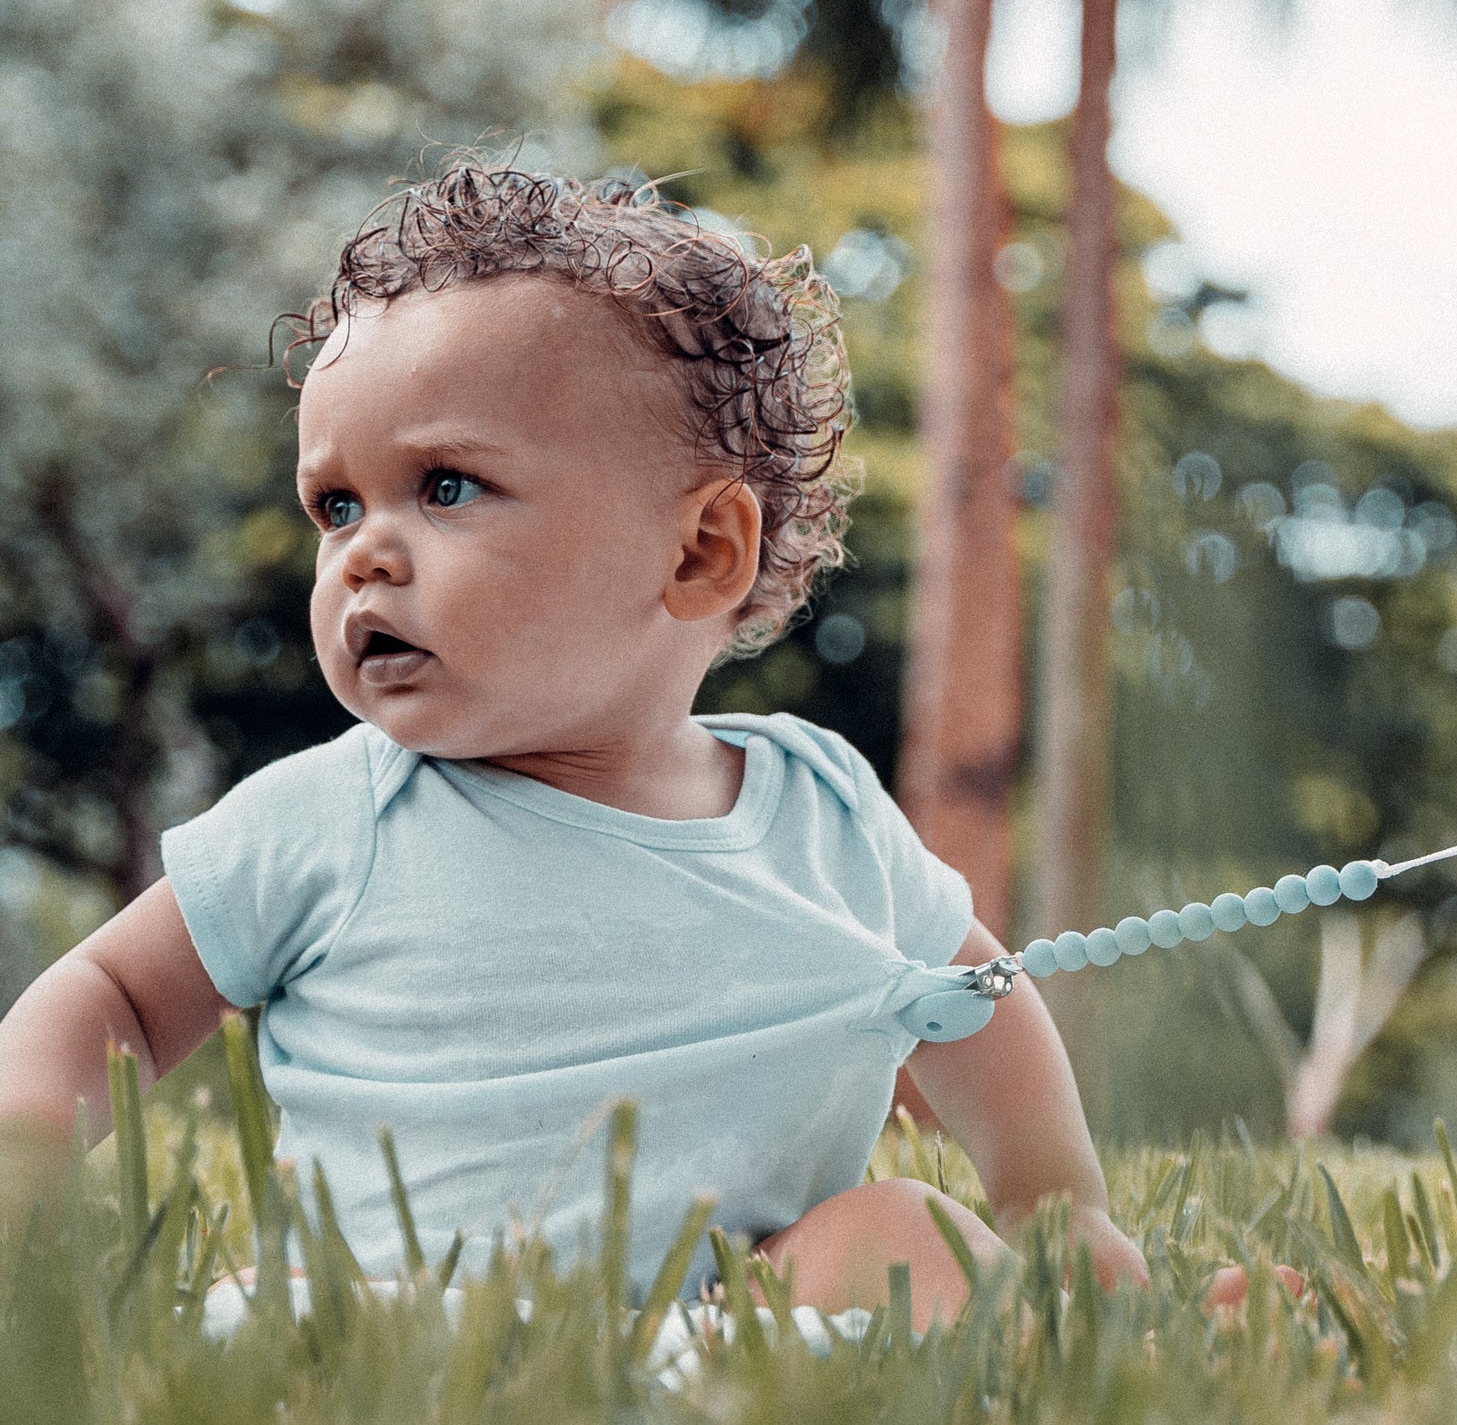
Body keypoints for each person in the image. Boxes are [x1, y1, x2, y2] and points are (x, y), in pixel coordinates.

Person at [0, 164, 1144, 1321]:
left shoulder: (822, 812)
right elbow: (118, 997)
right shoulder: (335, 814)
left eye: (446, 486)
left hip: (726, 1347)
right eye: (336, 505)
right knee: (262, 1313)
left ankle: (1106, 1319)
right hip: (386, 1337)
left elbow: (975, 996)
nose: (363, 553)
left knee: (910, 1237)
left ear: (701, 552)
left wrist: (1056, 1201)